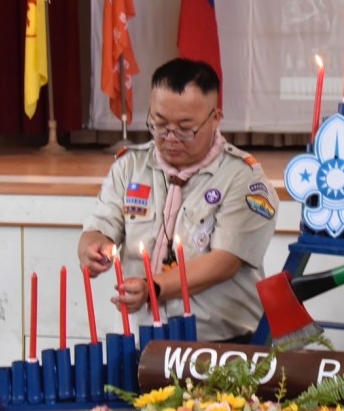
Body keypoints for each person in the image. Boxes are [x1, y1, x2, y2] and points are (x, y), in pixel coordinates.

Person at [78, 58, 279, 343]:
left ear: (215, 118)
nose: (170, 138)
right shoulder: (130, 166)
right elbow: (99, 228)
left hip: (220, 341)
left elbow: (225, 262)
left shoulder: (242, 177)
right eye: (159, 124)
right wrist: (92, 249)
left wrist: (153, 287)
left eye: (185, 128)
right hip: (141, 337)